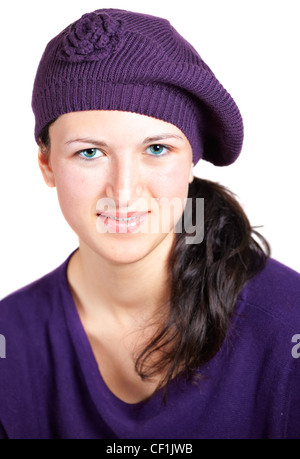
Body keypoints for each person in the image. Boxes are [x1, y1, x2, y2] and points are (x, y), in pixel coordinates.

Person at [0, 8, 299, 440]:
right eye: (90, 152)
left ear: (191, 160)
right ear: (46, 163)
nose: (123, 191)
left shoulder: (287, 327)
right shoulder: (11, 339)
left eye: (157, 149)